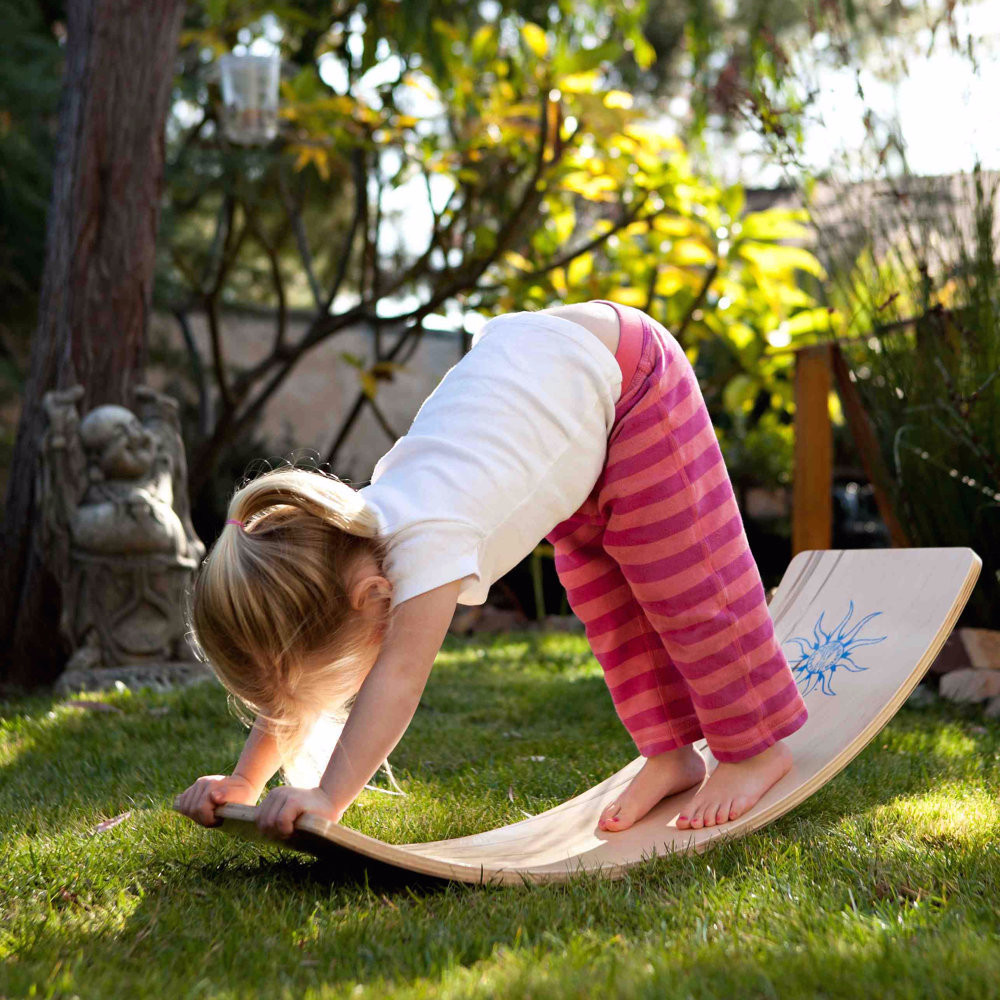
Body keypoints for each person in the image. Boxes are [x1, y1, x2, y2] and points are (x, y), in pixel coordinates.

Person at [174, 300, 808, 841]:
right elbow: (293, 678)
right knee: (612, 607)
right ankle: (671, 754)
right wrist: (246, 779)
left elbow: (397, 681)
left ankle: (753, 747)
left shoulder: (423, 543)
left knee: (687, 583)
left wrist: (328, 799)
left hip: (631, 379)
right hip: (563, 404)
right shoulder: (348, 543)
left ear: (370, 599)